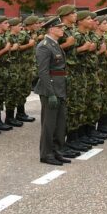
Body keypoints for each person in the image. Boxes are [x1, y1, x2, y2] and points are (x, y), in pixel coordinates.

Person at [34, 18, 72, 166]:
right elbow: (43, 72)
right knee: (49, 124)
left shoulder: (54, 44)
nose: (62, 29)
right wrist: (50, 93)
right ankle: (46, 154)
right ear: (51, 29)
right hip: (50, 89)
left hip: (60, 87)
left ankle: (57, 151)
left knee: (60, 123)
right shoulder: (44, 46)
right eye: (59, 27)